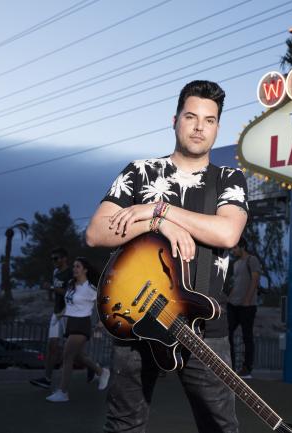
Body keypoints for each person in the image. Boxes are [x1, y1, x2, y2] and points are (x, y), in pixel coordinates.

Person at [85, 80, 248, 433]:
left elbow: (227, 232)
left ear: (218, 127)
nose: (199, 126)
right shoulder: (139, 173)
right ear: (174, 120)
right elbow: (96, 232)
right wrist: (154, 225)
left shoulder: (228, 179)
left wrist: (158, 209)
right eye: (191, 116)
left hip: (204, 326)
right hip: (136, 319)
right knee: (124, 425)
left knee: (222, 427)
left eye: (209, 119)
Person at [46, 257, 110, 402]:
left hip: (82, 324)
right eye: (74, 266)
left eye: (78, 267)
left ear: (85, 270)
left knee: (67, 356)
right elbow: (69, 304)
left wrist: (101, 321)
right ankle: (101, 371)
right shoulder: (71, 285)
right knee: (79, 356)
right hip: (70, 323)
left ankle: (63, 392)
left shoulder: (91, 289)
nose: (74, 269)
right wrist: (60, 315)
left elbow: (103, 304)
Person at [30, 248, 72, 389]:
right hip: (57, 313)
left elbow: (69, 293)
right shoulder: (55, 273)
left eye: (56, 258)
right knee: (52, 346)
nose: (54, 261)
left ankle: (96, 369)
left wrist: (52, 288)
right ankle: (47, 379)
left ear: (64, 258)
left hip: (69, 313)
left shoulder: (71, 273)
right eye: (52, 259)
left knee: (74, 350)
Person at [227, 238, 261, 379]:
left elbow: (255, 280)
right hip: (233, 305)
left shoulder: (252, 260)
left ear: (242, 246)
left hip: (247, 306)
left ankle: (247, 369)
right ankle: (231, 366)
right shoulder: (236, 264)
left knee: (247, 337)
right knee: (227, 334)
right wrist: (228, 298)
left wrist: (247, 300)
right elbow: (236, 283)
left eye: (235, 248)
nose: (233, 251)